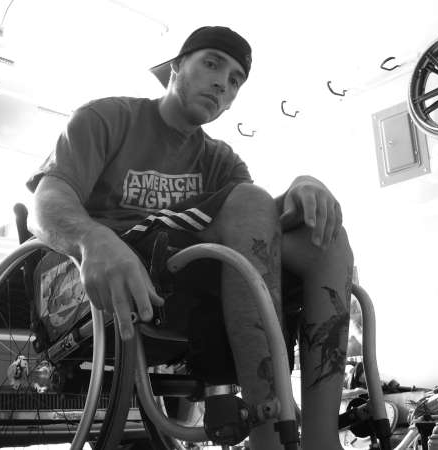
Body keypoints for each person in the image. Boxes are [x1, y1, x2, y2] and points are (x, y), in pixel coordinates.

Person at [27, 25, 353, 450]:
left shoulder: (220, 159)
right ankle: (270, 435)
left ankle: (323, 442)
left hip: (190, 271)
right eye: (212, 65)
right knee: (251, 199)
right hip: (112, 261)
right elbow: (46, 203)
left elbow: (254, 225)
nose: (222, 84)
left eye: (235, 80)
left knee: (325, 237)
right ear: (176, 67)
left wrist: (304, 185)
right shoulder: (107, 117)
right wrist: (93, 239)